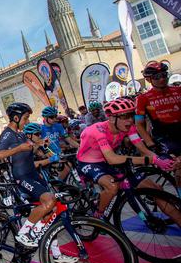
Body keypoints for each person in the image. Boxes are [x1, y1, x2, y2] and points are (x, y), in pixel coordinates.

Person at [0, 103, 79, 263]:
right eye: (25, 118)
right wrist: (18, 148)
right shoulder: (8, 134)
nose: (27, 121)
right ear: (16, 118)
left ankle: (56, 253)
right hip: (22, 177)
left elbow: (29, 152)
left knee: (51, 212)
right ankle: (24, 234)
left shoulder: (20, 134)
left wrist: (38, 145)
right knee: (49, 200)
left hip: (34, 175)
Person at [77, 97, 180, 222]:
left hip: (107, 160)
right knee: (112, 186)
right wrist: (152, 160)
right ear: (111, 118)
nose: (130, 120)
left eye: (131, 115)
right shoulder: (98, 130)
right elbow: (113, 159)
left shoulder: (129, 127)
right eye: (125, 116)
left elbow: (142, 149)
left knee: (155, 189)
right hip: (88, 162)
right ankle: (98, 214)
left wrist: (159, 159)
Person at [135, 62, 181, 195]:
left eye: (164, 75)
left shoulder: (178, 90)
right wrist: (149, 142)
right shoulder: (143, 98)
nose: (162, 79)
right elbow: (139, 124)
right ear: (149, 79)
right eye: (157, 77)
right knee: (178, 167)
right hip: (164, 136)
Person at [40, 106, 79, 180]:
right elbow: (44, 146)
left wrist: (80, 147)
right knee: (67, 167)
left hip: (60, 154)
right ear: (45, 118)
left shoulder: (58, 126)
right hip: (50, 156)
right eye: (52, 117)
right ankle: (57, 188)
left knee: (71, 166)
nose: (55, 119)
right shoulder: (41, 130)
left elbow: (69, 140)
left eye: (55, 116)